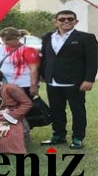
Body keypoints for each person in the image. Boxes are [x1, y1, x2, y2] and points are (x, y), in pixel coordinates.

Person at [40, 10, 98, 149]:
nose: (66, 21)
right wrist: (43, 74)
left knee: (77, 110)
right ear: (55, 21)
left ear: (75, 21)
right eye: (62, 19)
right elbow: (45, 58)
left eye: (70, 19)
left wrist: (89, 79)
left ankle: (78, 138)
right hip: (53, 81)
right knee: (56, 109)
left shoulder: (86, 37)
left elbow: (93, 60)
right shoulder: (47, 37)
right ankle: (58, 135)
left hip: (75, 81)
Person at [0, 27, 41, 97]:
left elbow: (34, 69)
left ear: (17, 38)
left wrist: (33, 86)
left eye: (8, 39)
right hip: (4, 84)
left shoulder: (27, 50)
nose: (5, 42)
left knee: (23, 106)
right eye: (2, 39)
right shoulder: (0, 49)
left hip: (23, 85)